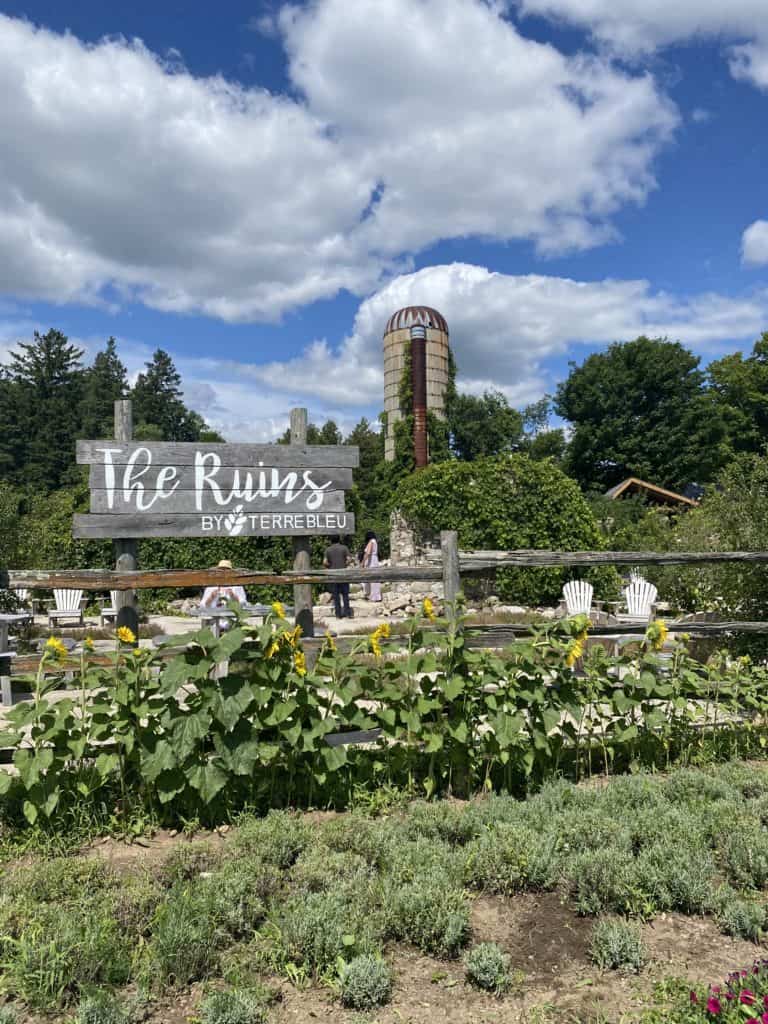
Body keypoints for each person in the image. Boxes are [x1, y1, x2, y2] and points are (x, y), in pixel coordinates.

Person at [324, 535, 352, 619]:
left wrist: (330, 566)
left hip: (333, 575)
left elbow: (325, 562)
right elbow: (349, 559)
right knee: (345, 595)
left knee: (336, 596)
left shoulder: (328, 550)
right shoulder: (344, 548)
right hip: (343, 574)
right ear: (339, 539)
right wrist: (345, 564)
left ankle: (338, 615)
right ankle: (347, 613)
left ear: (331, 540)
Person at [361, 530, 382, 602]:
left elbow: (368, 553)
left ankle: (371, 596)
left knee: (370, 579)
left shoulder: (371, 542)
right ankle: (376, 596)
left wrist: (363, 562)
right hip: (374, 560)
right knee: (375, 579)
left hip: (371, 561)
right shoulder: (375, 542)